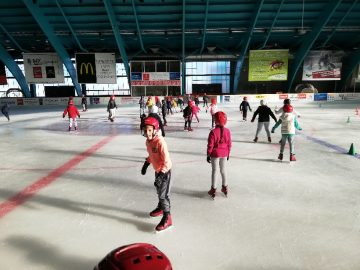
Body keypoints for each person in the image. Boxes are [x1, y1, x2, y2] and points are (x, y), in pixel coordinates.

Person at [141, 116, 173, 232]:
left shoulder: (160, 142)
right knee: (159, 191)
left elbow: (166, 160)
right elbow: (152, 155)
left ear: (155, 130)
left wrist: (162, 173)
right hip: (158, 171)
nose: (147, 133)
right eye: (145, 130)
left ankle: (167, 217)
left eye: (149, 130)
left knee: (163, 195)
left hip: (165, 172)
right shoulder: (148, 142)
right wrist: (146, 163)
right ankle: (160, 208)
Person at [207, 111, 232, 199]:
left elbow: (210, 145)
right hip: (224, 153)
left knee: (215, 171)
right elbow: (229, 144)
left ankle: (213, 189)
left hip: (215, 154)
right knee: (223, 170)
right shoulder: (227, 131)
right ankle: (225, 187)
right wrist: (228, 153)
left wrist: (208, 154)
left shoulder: (213, 132)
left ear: (215, 120)